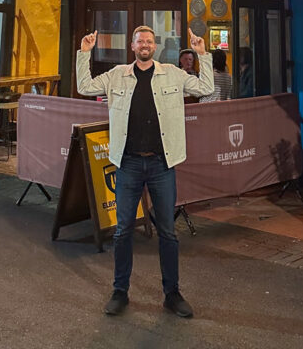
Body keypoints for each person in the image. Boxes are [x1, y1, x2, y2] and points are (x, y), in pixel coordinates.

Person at [77, 24, 214, 319]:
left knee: (167, 231)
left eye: (149, 41)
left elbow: (206, 88)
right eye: (140, 40)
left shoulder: (172, 74)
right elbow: (84, 87)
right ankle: (120, 291)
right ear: (132, 45)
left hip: (161, 165)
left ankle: (172, 293)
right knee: (123, 230)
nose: (145, 44)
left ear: (155, 46)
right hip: (127, 163)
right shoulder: (116, 75)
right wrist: (83, 53)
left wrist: (204, 54)